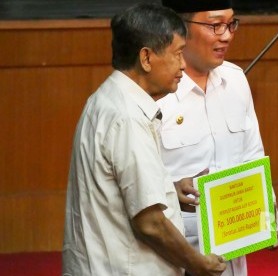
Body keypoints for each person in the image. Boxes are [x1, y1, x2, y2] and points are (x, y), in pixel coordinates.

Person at [62, 3, 226, 275]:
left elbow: (114, 188)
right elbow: (150, 223)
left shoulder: (107, 98)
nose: (183, 65)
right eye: (178, 54)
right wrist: (197, 263)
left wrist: (168, 190)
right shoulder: (128, 117)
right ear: (146, 58)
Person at [159, 0, 278, 275]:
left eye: (231, 24)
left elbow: (253, 155)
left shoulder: (236, 80)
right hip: (174, 255)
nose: (226, 35)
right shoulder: (157, 92)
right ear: (179, 28)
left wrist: (268, 211)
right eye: (215, 25)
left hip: (230, 250)